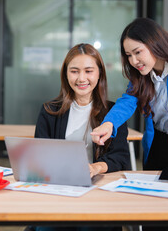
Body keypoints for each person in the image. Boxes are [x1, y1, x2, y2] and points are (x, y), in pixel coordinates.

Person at [90, 18, 168, 231]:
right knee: (154, 213)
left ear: (155, 43)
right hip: (159, 143)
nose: (134, 60)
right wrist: (108, 124)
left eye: (138, 52)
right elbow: (128, 100)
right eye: (128, 55)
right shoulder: (143, 73)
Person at [35, 43, 131, 178]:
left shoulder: (114, 113)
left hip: (100, 185)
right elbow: (39, 155)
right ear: (66, 74)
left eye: (88, 71)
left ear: (100, 73)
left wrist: (95, 168)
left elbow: (120, 158)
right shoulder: (49, 111)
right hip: (58, 182)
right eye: (74, 71)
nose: (81, 78)